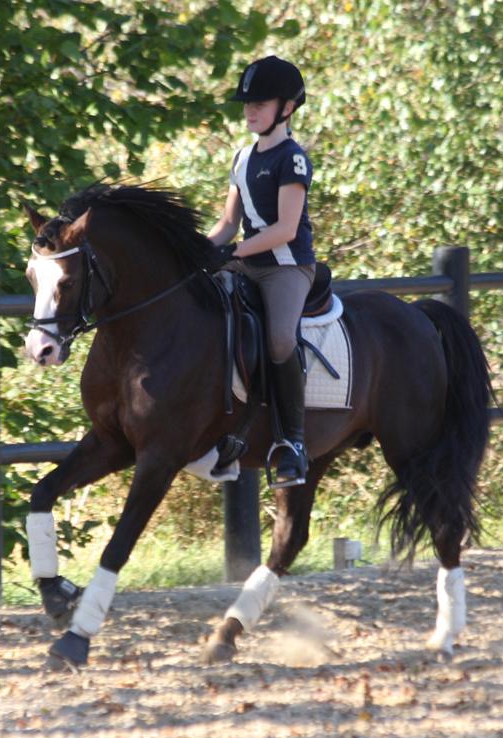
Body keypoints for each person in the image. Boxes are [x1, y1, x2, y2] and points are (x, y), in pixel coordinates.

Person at [208, 55, 315, 489]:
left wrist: (234, 251)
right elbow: (228, 223)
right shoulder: (242, 157)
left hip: (285, 267)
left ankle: (293, 442)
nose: (250, 111)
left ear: (286, 108)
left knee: (280, 339)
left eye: (260, 103)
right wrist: (199, 250)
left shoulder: (293, 160)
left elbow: (285, 230)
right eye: (246, 104)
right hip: (245, 261)